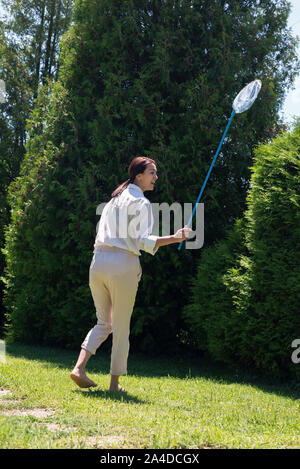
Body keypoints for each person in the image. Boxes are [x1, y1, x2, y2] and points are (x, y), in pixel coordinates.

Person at [70, 156, 191, 392]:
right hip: (122, 264)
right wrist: (176, 237)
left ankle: (79, 368)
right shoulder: (141, 203)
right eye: (152, 173)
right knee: (121, 326)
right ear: (139, 175)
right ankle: (114, 385)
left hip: (98, 263)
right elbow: (144, 242)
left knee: (104, 322)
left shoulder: (113, 200)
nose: (156, 177)